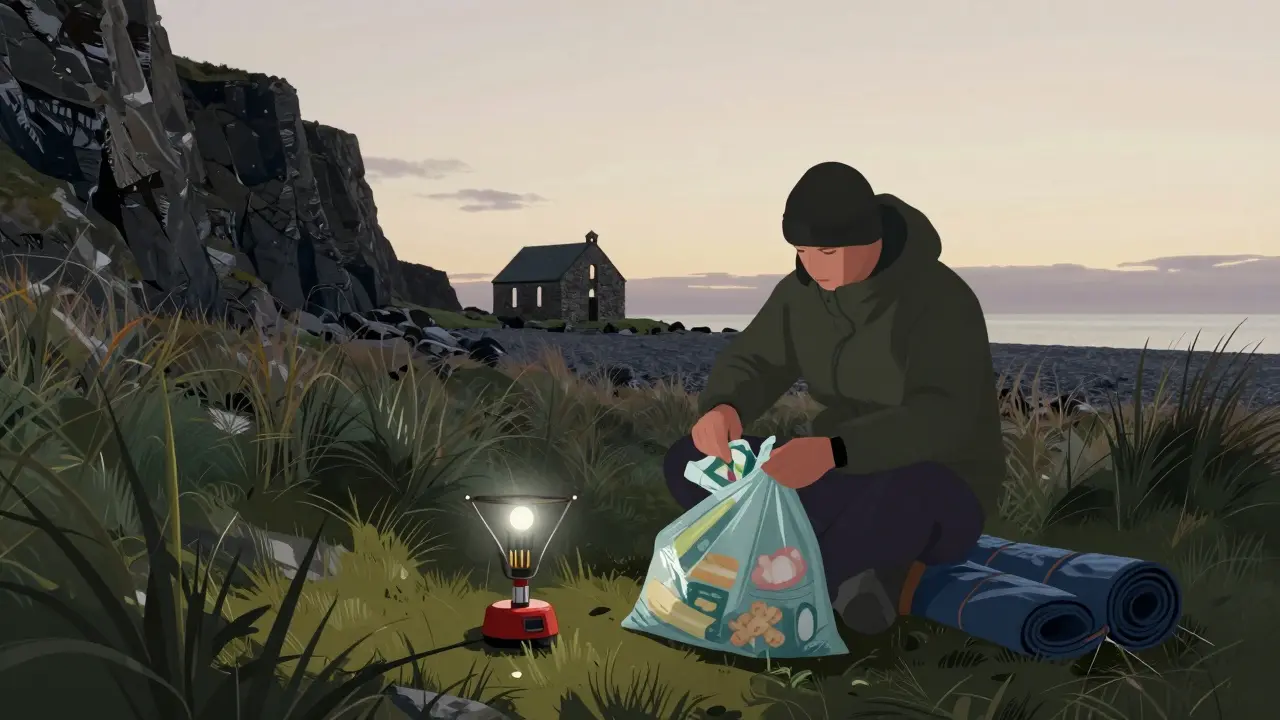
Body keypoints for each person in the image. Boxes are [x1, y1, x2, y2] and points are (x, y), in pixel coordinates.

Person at [662, 161, 1005, 635]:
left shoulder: (941, 298)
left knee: (902, 499)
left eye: (827, 251)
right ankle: (845, 574)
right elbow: (755, 359)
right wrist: (725, 407)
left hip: (941, 480)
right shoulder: (801, 292)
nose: (813, 266)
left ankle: (791, 582)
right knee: (687, 458)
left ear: (872, 240)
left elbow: (942, 415)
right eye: (802, 251)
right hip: (834, 471)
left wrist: (834, 451)